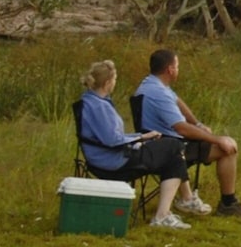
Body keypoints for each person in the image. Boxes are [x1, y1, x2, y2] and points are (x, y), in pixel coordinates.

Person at [135, 49, 241, 219]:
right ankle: (228, 203)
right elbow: (182, 128)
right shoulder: (159, 93)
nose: (178, 70)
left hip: (159, 142)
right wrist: (217, 139)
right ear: (170, 70)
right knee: (228, 148)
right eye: (177, 66)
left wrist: (198, 124)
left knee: (222, 143)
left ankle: (190, 197)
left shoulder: (150, 84)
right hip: (169, 147)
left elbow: (178, 102)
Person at [76, 60, 196, 229]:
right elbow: (112, 140)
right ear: (109, 82)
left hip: (106, 156)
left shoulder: (89, 100)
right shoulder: (99, 106)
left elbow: (110, 137)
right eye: (115, 79)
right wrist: (140, 139)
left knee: (174, 157)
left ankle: (168, 212)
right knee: (175, 146)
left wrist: (141, 136)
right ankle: (174, 208)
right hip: (114, 162)